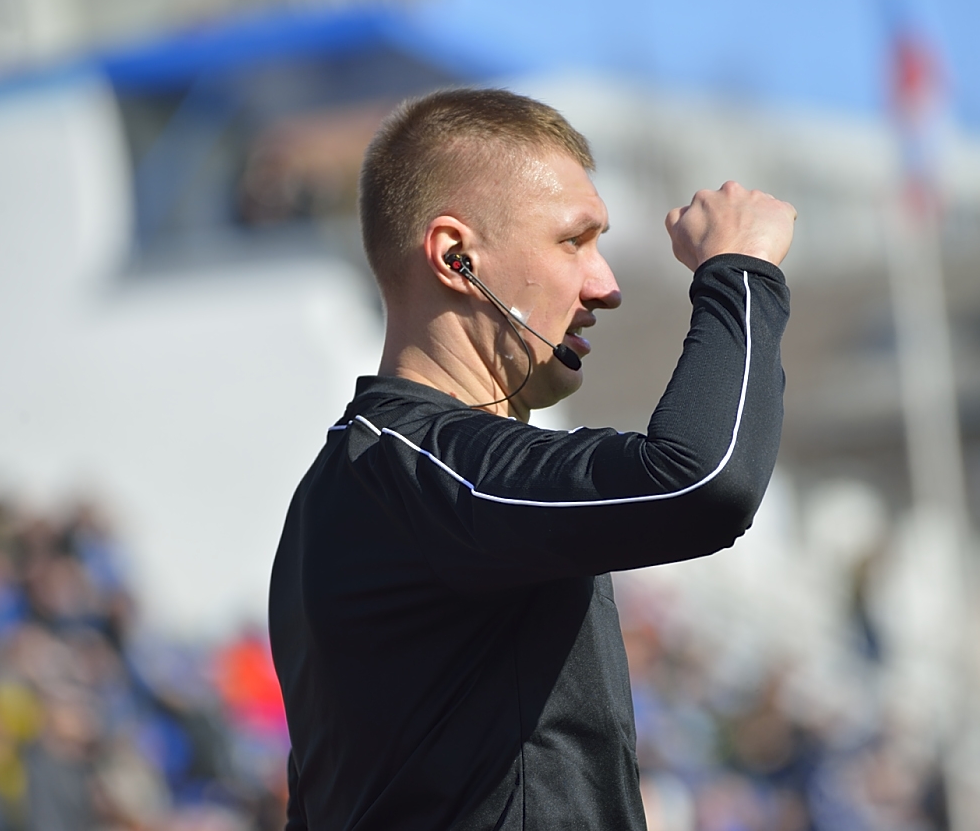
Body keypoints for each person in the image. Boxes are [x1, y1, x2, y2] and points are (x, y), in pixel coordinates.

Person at [268, 87, 795, 830]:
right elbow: (704, 481)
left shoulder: (350, 486)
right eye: (574, 241)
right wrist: (740, 271)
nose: (605, 286)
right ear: (456, 257)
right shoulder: (421, 470)